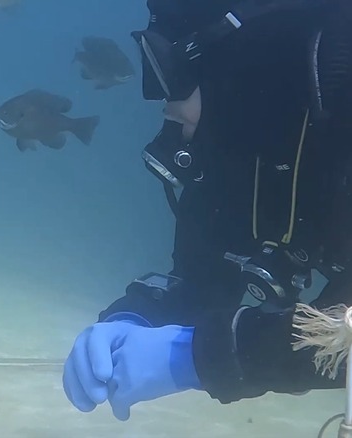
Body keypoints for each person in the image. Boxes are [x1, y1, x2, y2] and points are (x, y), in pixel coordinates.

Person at [63, 0, 352, 421]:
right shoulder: (241, 148)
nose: (163, 102)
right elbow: (203, 280)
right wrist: (131, 318)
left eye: (171, 68)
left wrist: (202, 354)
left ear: (243, 56)